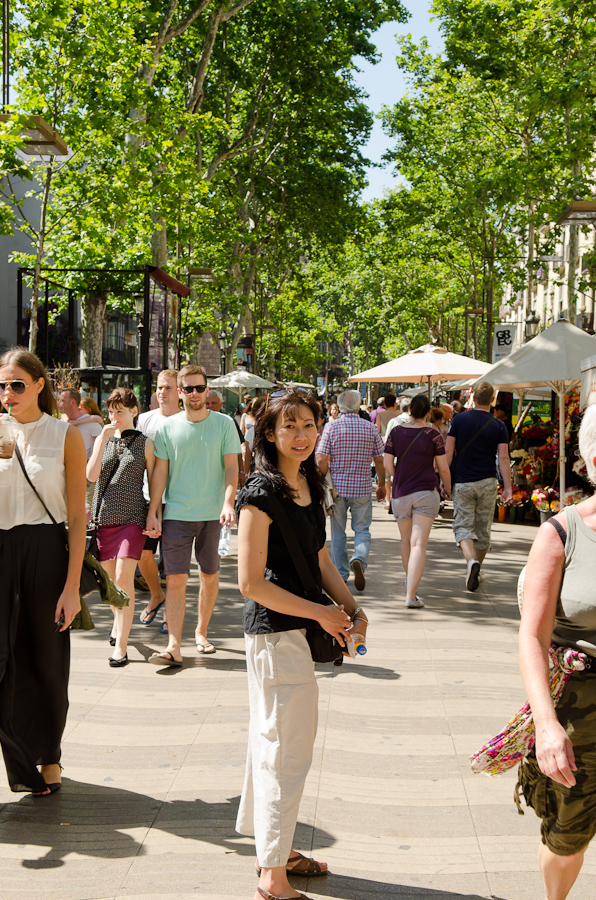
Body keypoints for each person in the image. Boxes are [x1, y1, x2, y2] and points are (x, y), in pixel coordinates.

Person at [235, 389, 367, 900]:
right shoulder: (259, 494)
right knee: (284, 751)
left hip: (298, 632)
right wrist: (322, 613)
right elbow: (250, 583)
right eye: (289, 426)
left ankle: (279, 850)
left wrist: (353, 611)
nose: (302, 435)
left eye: (309, 425)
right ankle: (272, 874)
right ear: (269, 433)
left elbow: (320, 561)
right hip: (273, 634)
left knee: (275, 744)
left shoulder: (311, 482)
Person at [517, 404, 596, 900]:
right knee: (569, 835)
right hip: (578, 707)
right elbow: (532, 637)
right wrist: (546, 726)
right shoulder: (561, 532)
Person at [0, 347, 86, 795]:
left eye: (17, 384)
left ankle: (48, 755)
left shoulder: (63, 434)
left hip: (46, 551)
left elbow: (76, 516)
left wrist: (72, 587)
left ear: (38, 385)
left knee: (47, 661)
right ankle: (17, 760)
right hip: (1, 548)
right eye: (2, 385)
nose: (8, 393)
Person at [146, 365, 241, 665]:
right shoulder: (166, 428)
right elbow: (160, 471)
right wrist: (154, 511)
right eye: (188, 389)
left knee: (208, 576)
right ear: (180, 392)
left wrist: (228, 503)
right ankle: (174, 645)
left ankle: (201, 632)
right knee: (175, 580)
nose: (195, 394)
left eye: (200, 388)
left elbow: (231, 468)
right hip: (177, 515)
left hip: (213, 515)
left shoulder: (225, 424)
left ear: (207, 390)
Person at [87, 388, 157, 667]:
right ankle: (118, 625)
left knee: (123, 578)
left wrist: (154, 515)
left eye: (120, 411)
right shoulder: (103, 439)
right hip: (103, 518)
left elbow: (154, 484)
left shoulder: (145, 443)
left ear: (133, 412)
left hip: (132, 518)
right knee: (111, 583)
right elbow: (90, 475)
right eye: (111, 411)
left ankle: (122, 647)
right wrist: (101, 440)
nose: (114, 416)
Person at [384, 393, 451, 609]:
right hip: (425, 492)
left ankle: (409, 586)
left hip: (401, 492)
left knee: (405, 542)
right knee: (419, 544)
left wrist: (398, 475)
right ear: (429, 412)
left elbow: (387, 463)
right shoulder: (434, 435)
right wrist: (447, 488)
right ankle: (411, 595)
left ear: (410, 410)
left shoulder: (395, 432)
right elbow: (442, 467)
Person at [445, 381, 512, 592]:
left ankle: (470, 561)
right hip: (488, 482)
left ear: (472, 397)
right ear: (493, 399)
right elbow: (503, 457)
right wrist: (508, 486)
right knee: (483, 530)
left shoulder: (459, 419)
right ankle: (477, 568)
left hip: (463, 482)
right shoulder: (499, 425)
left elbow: (448, 452)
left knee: (463, 526)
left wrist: (444, 480)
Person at [316, 390, 385, 591]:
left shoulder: (332, 427)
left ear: (340, 406)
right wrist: (380, 484)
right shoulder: (370, 428)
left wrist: (323, 478)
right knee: (362, 529)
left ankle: (341, 575)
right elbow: (380, 459)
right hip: (362, 487)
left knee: (338, 533)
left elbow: (320, 458)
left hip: (337, 488)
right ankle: (360, 559)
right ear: (359, 405)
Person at [136, 369, 180, 631]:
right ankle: (156, 594)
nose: (162, 392)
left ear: (180, 393)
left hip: (177, 499)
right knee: (143, 555)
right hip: (145, 497)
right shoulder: (144, 420)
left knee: (174, 562)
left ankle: (170, 615)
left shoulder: (188, 420)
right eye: (159, 387)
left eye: (168, 388)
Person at [58, 388, 102, 513]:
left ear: (72, 402)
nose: (59, 403)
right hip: (65, 473)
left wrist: (92, 457)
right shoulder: (62, 421)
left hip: (86, 475)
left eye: (62, 400)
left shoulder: (91, 422)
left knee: (86, 510)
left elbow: (102, 441)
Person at [207, 389, 248, 488]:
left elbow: (237, 448)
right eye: (207, 403)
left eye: (214, 403)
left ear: (221, 404)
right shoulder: (198, 422)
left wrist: (241, 471)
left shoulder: (229, 422)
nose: (210, 406)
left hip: (225, 473)